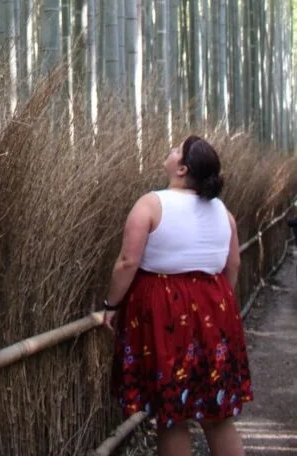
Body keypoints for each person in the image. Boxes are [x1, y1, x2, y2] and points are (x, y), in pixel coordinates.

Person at [102, 135, 252, 456]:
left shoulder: (152, 204)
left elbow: (128, 261)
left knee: (172, 416)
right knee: (218, 415)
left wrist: (111, 305)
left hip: (166, 315)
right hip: (215, 309)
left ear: (182, 168)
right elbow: (233, 263)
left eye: (175, 150)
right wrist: (216, 304)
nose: (169, 150)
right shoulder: (223, 212)